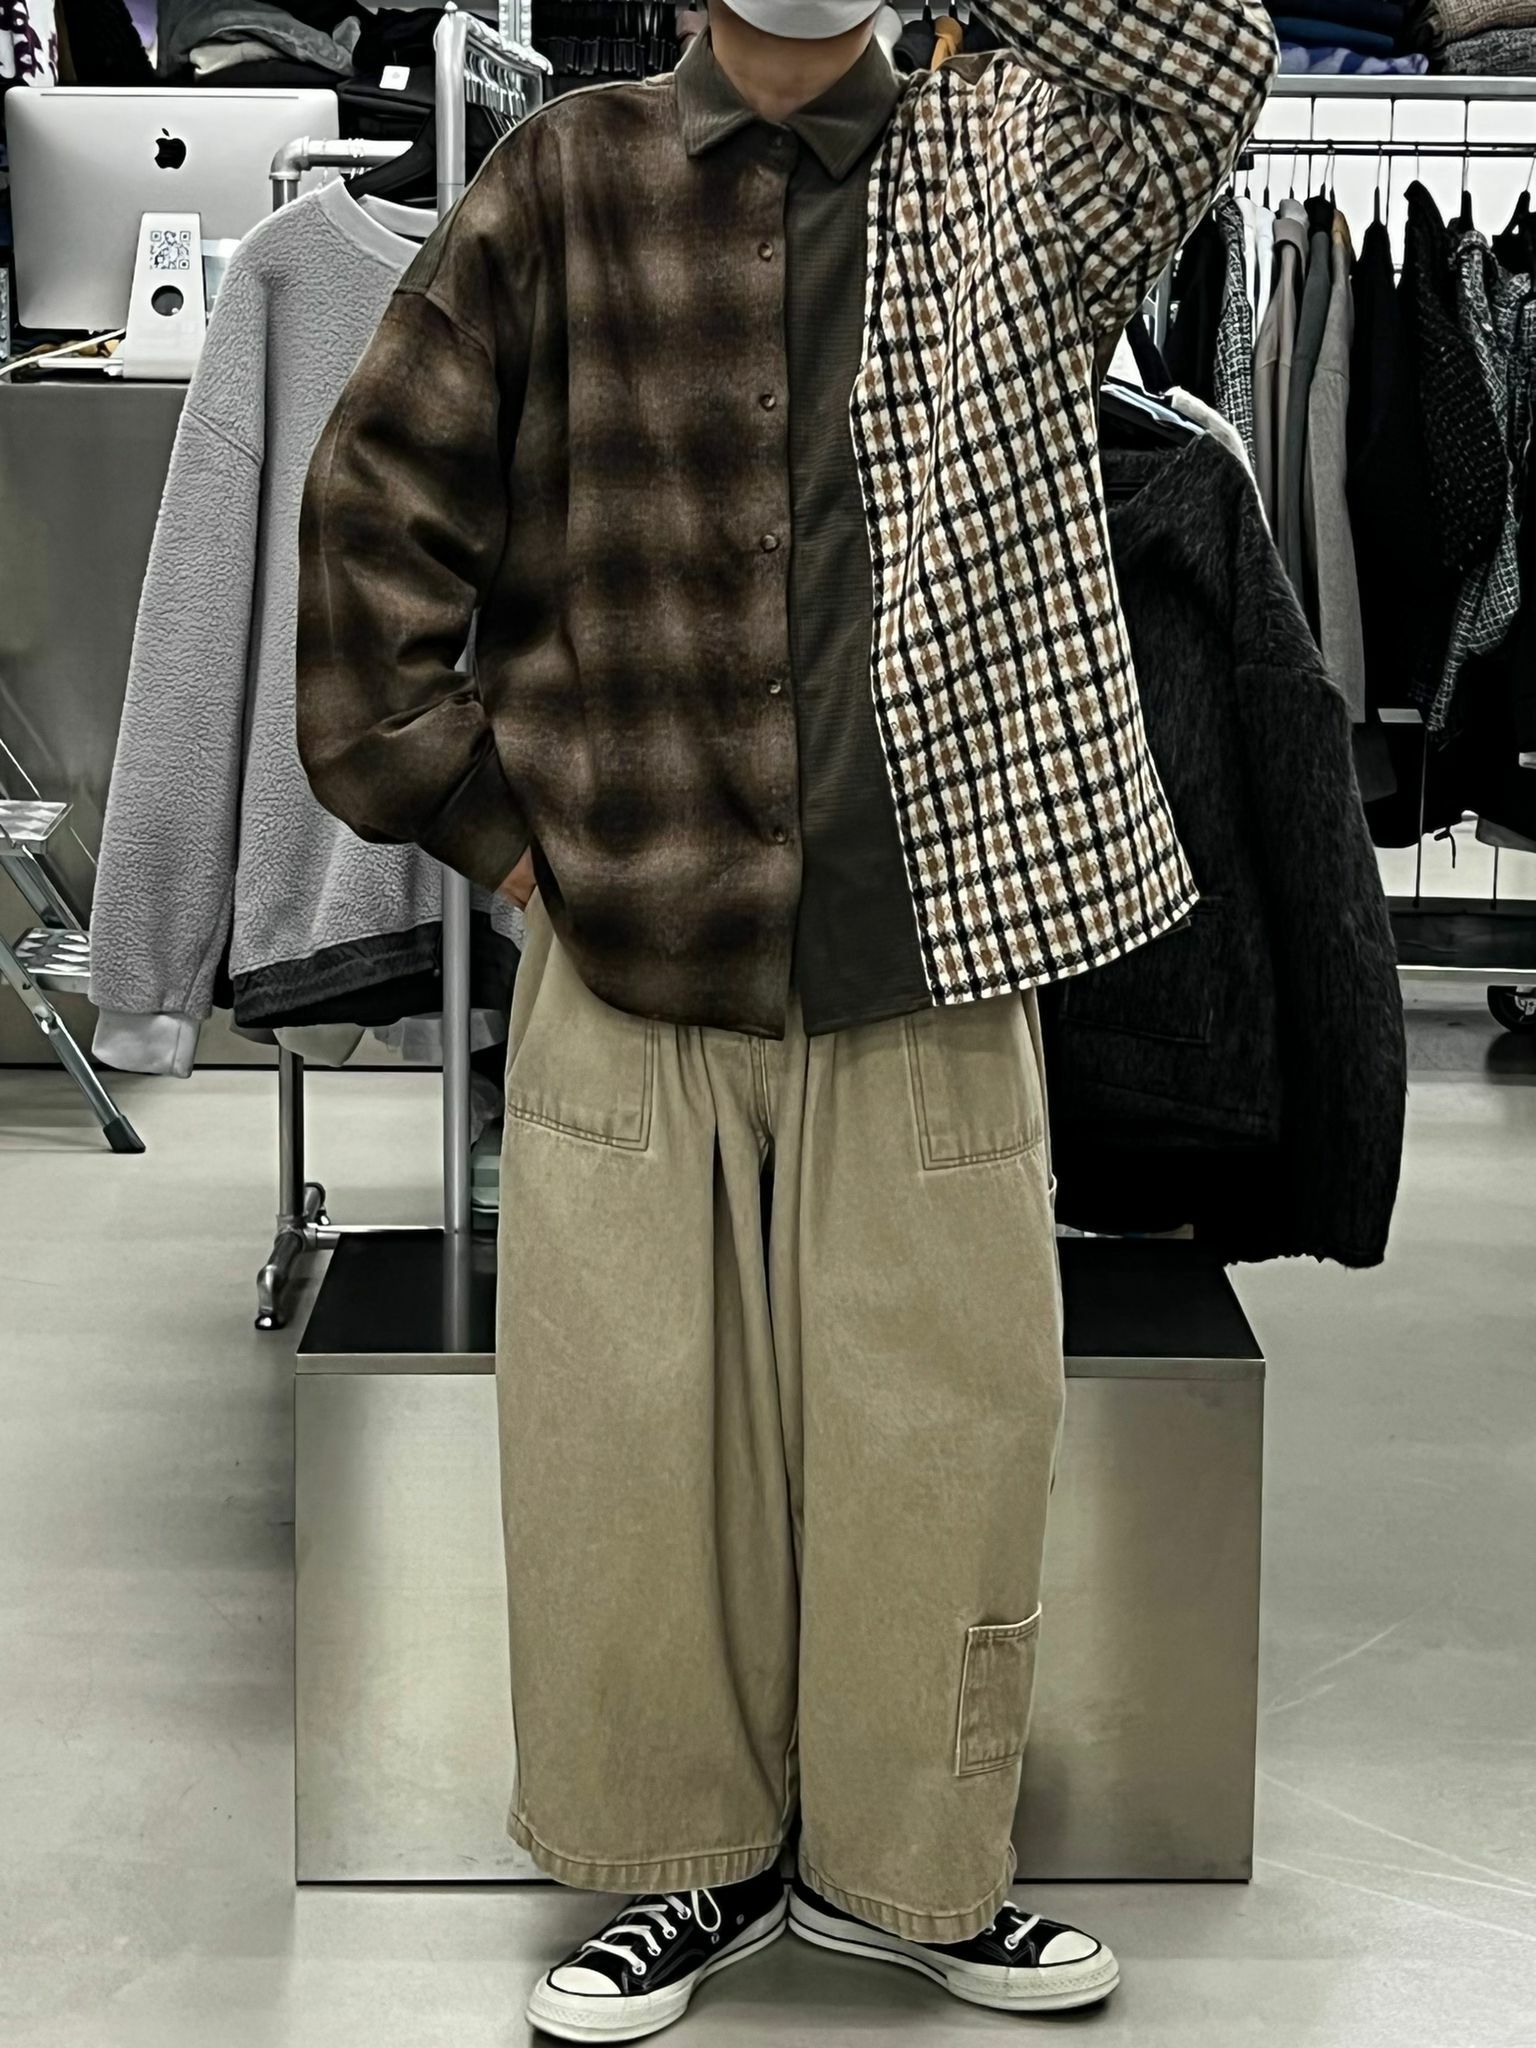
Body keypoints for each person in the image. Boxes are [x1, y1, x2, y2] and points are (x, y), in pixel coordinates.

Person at [295, 0, 1276, 2036]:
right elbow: (373, 519)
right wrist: (499, 838)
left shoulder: (1019, 161)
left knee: (948, 1443)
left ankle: (917, 1867)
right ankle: (680, 1864)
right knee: (628, 1445)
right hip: (626, 953)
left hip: (931, 952)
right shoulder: (566, 177)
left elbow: (1214, 56)